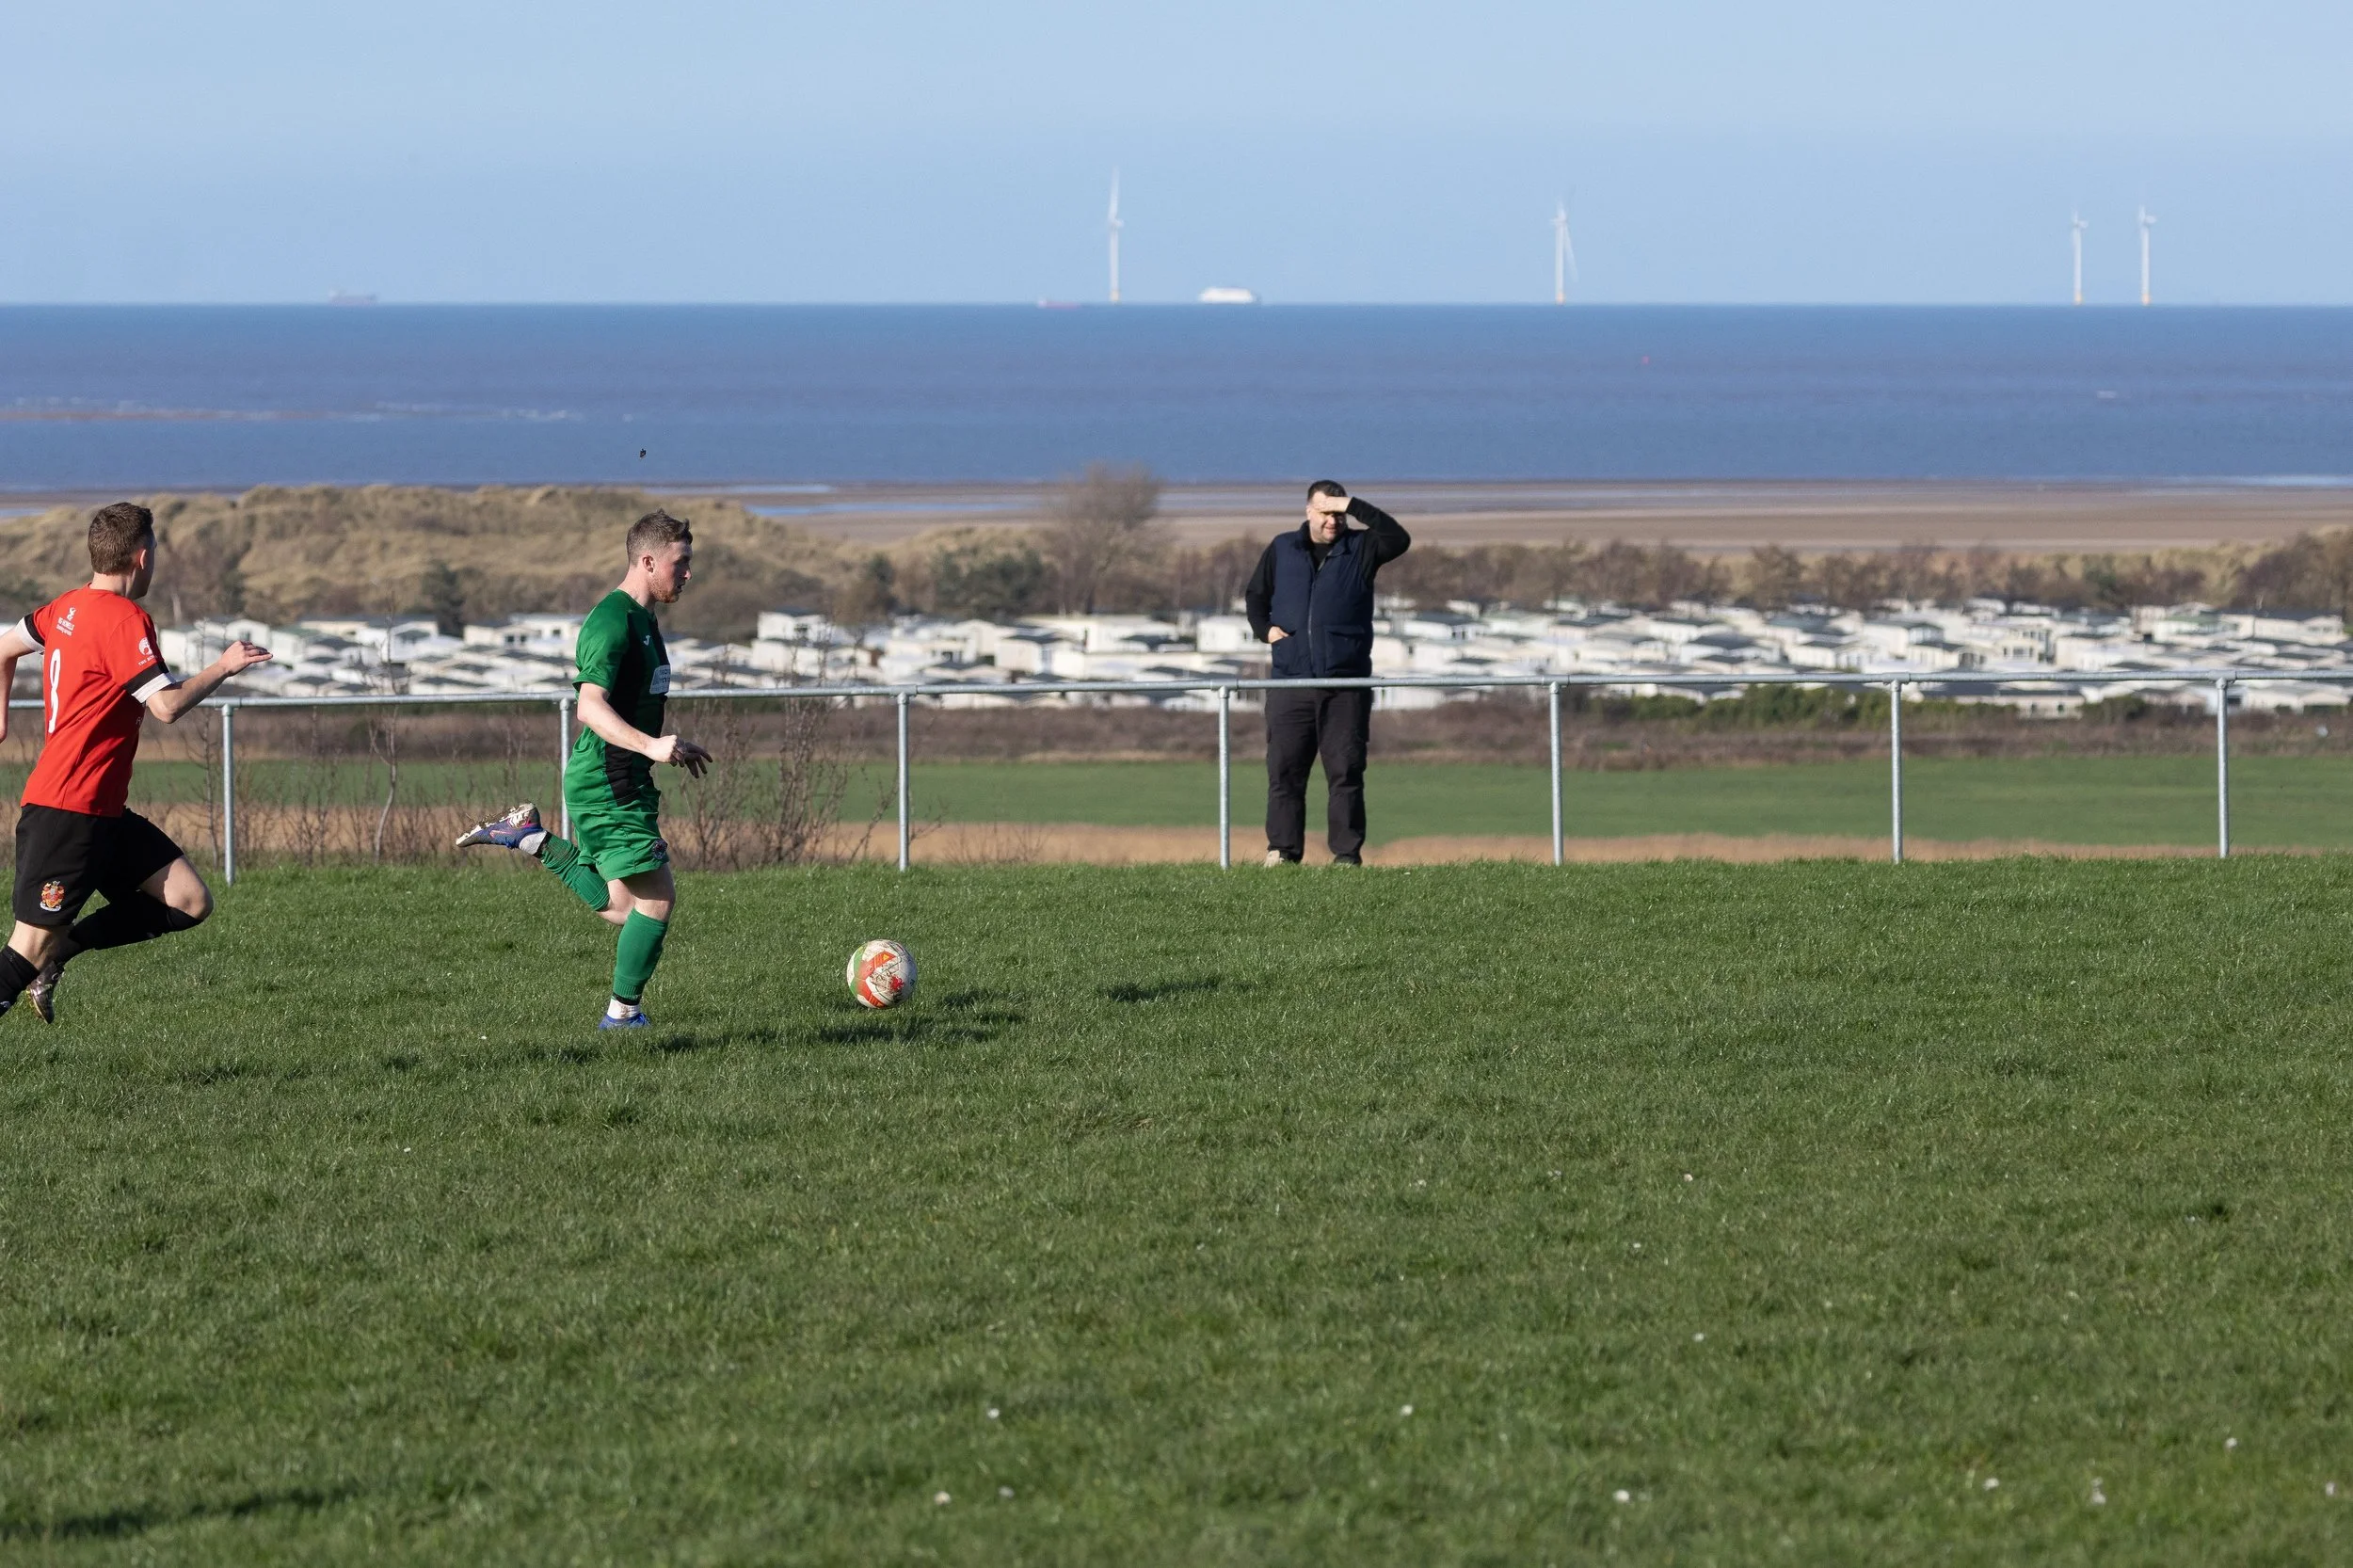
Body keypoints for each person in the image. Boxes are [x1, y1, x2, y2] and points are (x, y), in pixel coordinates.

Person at [0, 503, 273, 1023]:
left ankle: (60, 954)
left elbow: (2, 649)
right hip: (67, 811)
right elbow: (166, 706)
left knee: (188, 901)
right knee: (23, 952)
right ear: (142, 557)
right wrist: (224, 666)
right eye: (156, 555)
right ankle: (45, 959)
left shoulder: (64, 608)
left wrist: (1, 720)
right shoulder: (126, 619)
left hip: (102, 811)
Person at [457, 509, 711, 1032]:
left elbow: (629, 705)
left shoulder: (644, 621)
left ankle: (533, 838)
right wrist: (651, 746)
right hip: (608, 779)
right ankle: (622, 1016)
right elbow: (590, 707)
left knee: (623, 906)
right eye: (679, 563)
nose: (687, 573)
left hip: (623, 775)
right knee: (657, 898)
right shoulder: (611, 622)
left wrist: (668, 745)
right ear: (647, 560)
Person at [1242, 481, 1411, 865]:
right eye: (1325, 512)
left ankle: (1346, 856)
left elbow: (1398, 538)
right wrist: (1265, 631)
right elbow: (1255, 595)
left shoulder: (1363, 548)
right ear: (1307, 511)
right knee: (1284, 772)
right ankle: (1283, 852)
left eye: (1339, 513)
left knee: (1345, 772)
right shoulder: (1283, 548)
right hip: (1291, 682)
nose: (1333, 520)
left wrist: (1354, 504)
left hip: (1345, 684)